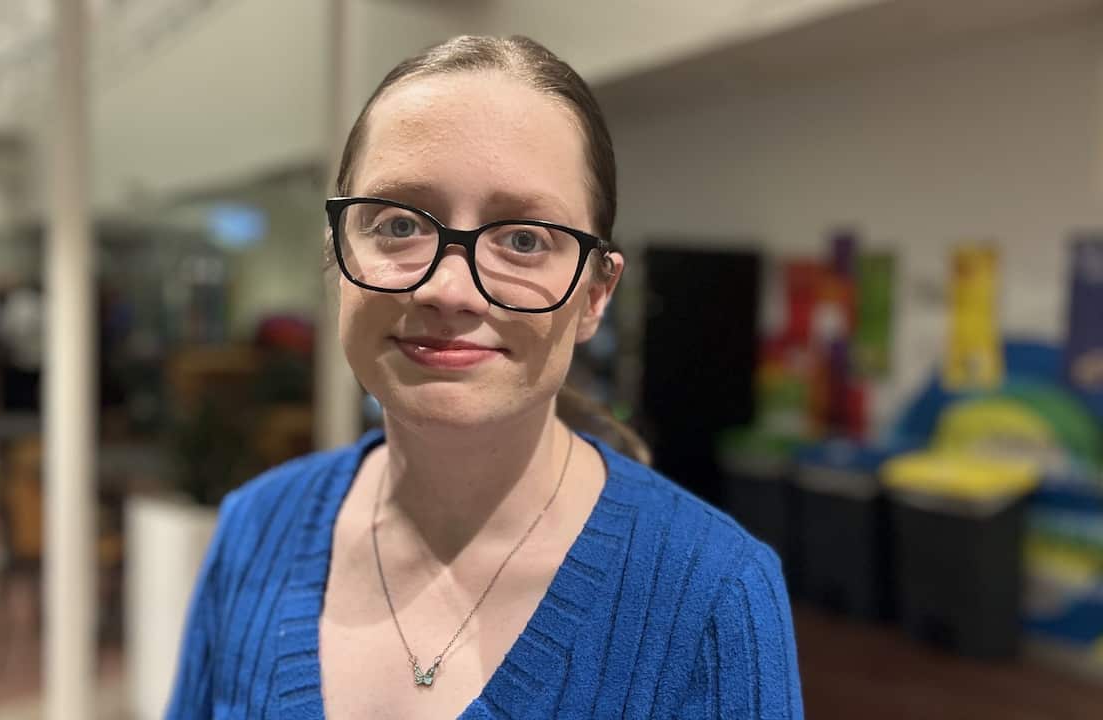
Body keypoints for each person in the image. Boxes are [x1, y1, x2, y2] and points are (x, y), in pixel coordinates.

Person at [167, 35, 802, 719]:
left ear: (595, 295)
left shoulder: (712, 596)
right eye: (399, 223)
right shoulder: (255, 532)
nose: (449, 290)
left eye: (524, 240)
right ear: (336, 254)